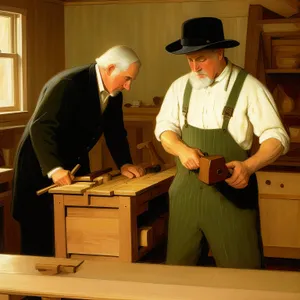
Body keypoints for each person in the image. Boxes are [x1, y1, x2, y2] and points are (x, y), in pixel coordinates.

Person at [155, 17, 290, 269]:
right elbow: (164, 130)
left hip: (232, 196)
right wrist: (182, 149)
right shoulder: (179, 87)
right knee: (177, 275)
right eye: (190, 60)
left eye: (201, 59)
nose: (194, 68)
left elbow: (277, 137)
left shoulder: (249, 87)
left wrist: (249, 167)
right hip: (186, 195)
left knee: (244, 276)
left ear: (220, 52)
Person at [12, 45, 145, 257]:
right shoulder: (68, 84)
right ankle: (36, 292)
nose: (128, 86)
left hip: (73, 167)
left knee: (75, 239)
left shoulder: (115, 94)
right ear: (110, 68)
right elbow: (41, 127)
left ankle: (70, 290)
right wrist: (54, 169)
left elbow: (115, 132)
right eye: (126, 78)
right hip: (39, 167)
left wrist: (125, 163)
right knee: (39, 245)